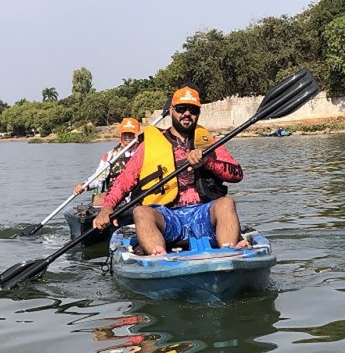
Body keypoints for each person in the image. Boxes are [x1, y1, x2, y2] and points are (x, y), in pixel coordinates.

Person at [93, 86, 247, 255]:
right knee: (141, 212)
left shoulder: (209, 142)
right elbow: (123, 183)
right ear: (172, 110)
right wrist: (107, 208)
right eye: (181, 109)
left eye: (193, 110)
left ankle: (230, 254)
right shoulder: (148, 146)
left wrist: (208, 161)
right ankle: (159, 256)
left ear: (198, 113)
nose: (187, 114)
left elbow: (237, 174)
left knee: (226, 203)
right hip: (167, 216)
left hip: (204, 213)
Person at [73, 117, 141, 204]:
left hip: (139, 196)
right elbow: (98, 178)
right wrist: (85, 185)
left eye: (131, 133)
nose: (128, 136)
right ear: (121, 134)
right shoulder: (110, 156)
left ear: (136, 135)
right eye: (125, 133)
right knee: (98, 199)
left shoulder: (144, 152)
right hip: (117, 197)